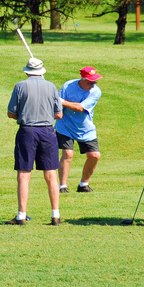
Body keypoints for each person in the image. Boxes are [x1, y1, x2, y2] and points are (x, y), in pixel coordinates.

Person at [5, 57, 63, 225]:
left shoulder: (20, 86)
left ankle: (21, 215)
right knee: (51, 174)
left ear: (26, 71)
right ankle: (55, 215)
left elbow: (11, 112)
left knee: (24, 174)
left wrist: (24, 114)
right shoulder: (51, 86)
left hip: (27, 131)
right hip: (47, 131)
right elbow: (58, 114)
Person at [55, 66, 103, 194]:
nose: (93, 85)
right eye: (90, 82)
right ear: (82, 79)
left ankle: (83, 184)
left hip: (85, 128)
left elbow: (80, 108)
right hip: (65, 126)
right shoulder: (68, 86)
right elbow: (57, 105)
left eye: (95, 82)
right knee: (68, 154)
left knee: (94, 156)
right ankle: (62, 187)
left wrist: (62, 101)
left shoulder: (95, 92)